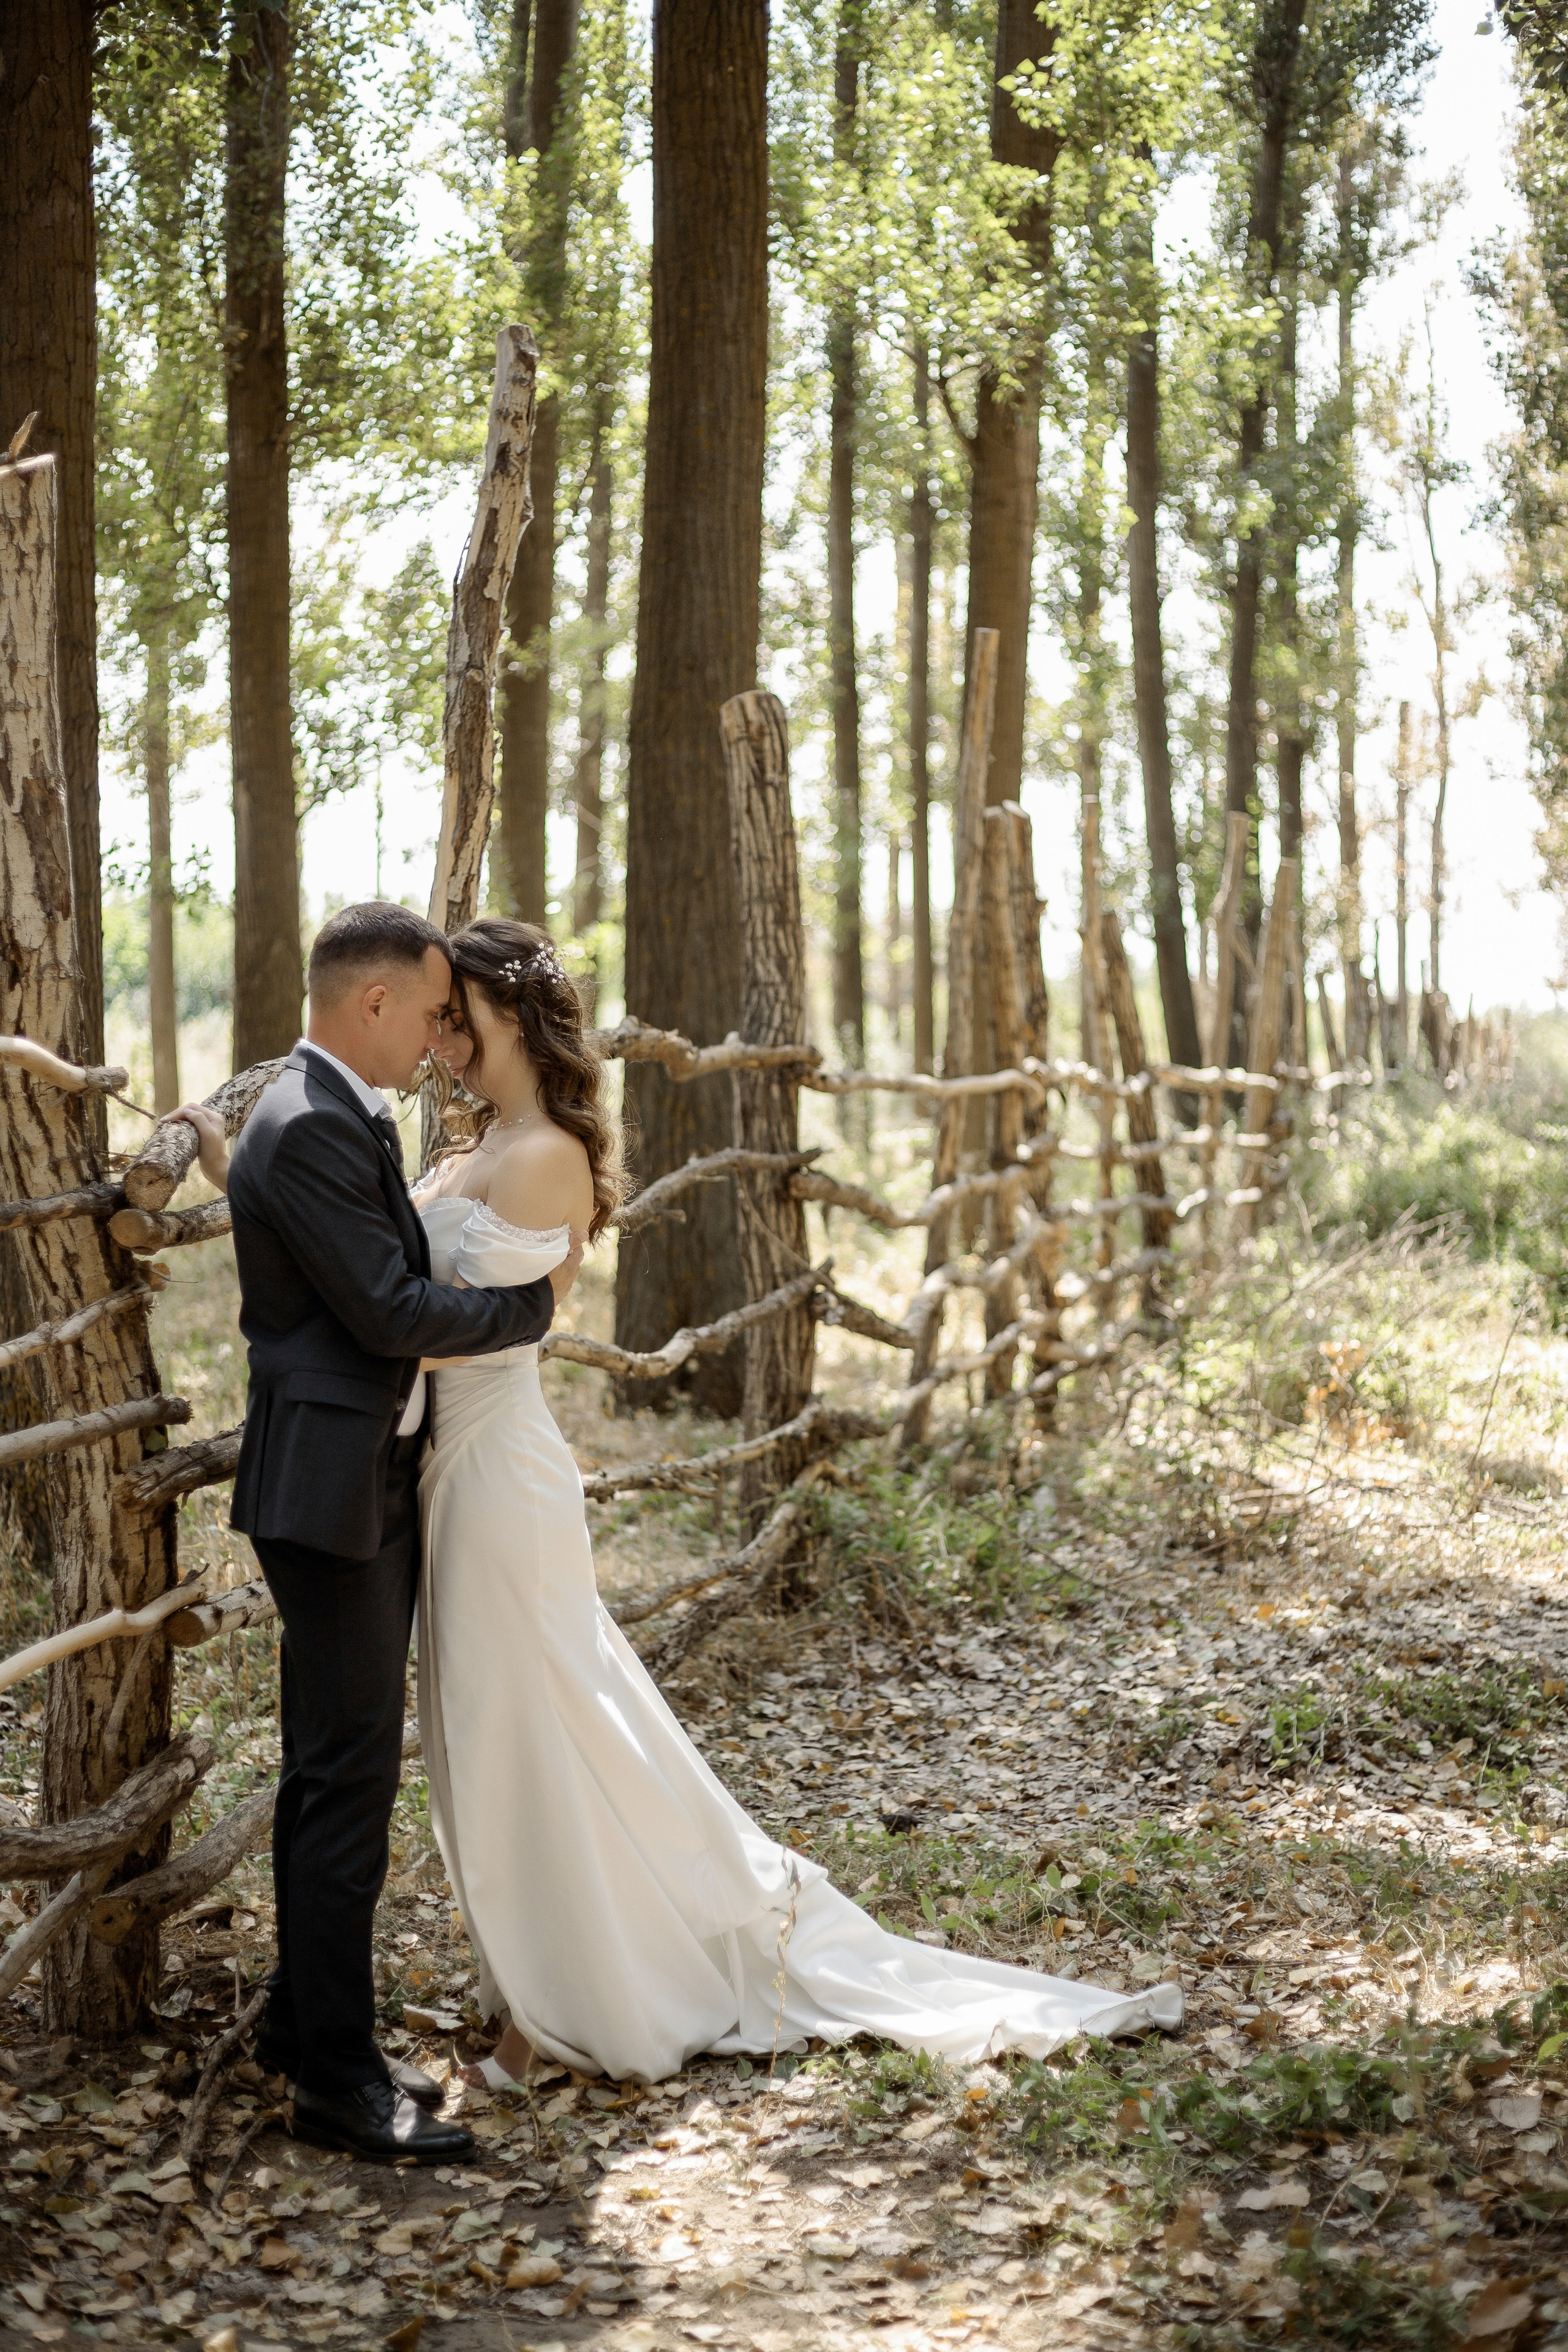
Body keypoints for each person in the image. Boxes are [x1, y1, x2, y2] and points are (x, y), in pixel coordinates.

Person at [406, 916, 1183, 2087]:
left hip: (498, 1473)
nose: (441, 1039)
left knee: (536, 1733)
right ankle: (538, 1976)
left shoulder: (547, 1149)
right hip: (447, 1477)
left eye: (455, 1014)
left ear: (508, 1011)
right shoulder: (473, 1142)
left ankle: (559, 2013)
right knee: (498, 1727)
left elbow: (470, 1327)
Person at [175, 902, 578, 2164]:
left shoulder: (328, 1112)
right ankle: (337, 2083)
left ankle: (305, 2024)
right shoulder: (307, 1127)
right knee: (345, 1782)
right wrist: (530, 1315)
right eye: (426, 1014)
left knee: (329, 1770)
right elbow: (390, 1308)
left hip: (359, 1480)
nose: (435, 1040)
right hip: (333, 1497)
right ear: (372, 1006)